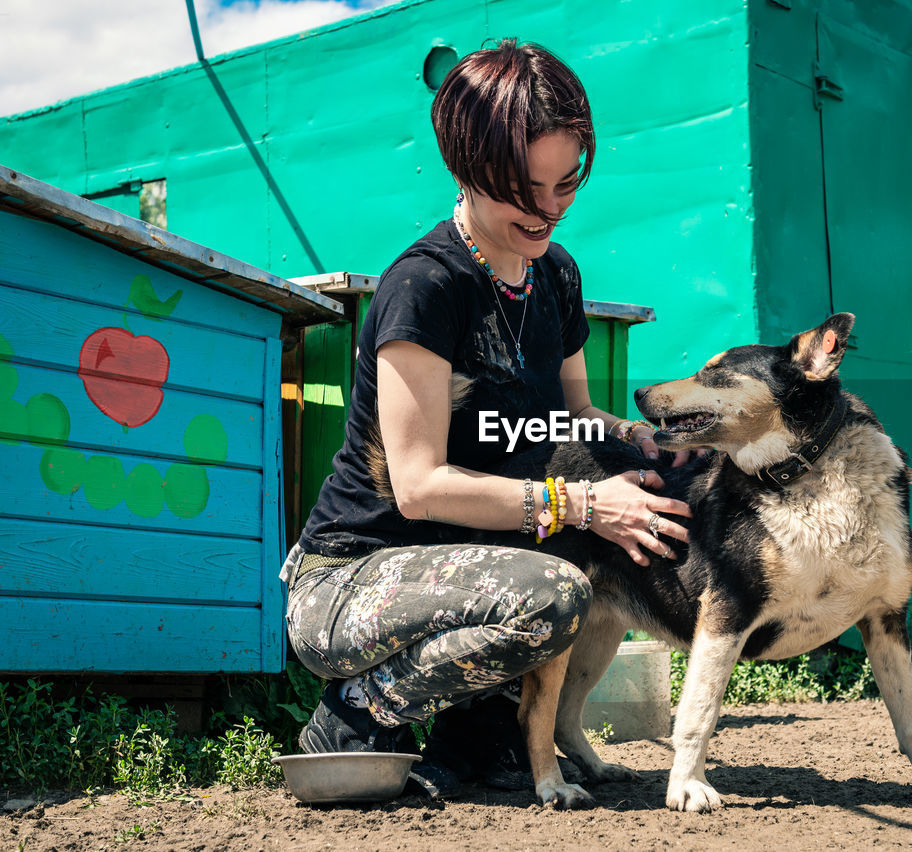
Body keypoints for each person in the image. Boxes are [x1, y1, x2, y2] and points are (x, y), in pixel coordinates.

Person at [280, 38, 693, 796]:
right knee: (559, 580)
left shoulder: (556, 276)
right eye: (524, 189)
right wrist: (585, 504)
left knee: (589, 519)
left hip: (476, 568)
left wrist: (650, 446)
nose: (549, 210)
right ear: (466, 169)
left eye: (567, 183)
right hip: (351, 582)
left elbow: (572, 421)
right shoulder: (425, 288)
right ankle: (359, 715)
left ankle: (479, 735)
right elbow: (419, 487)